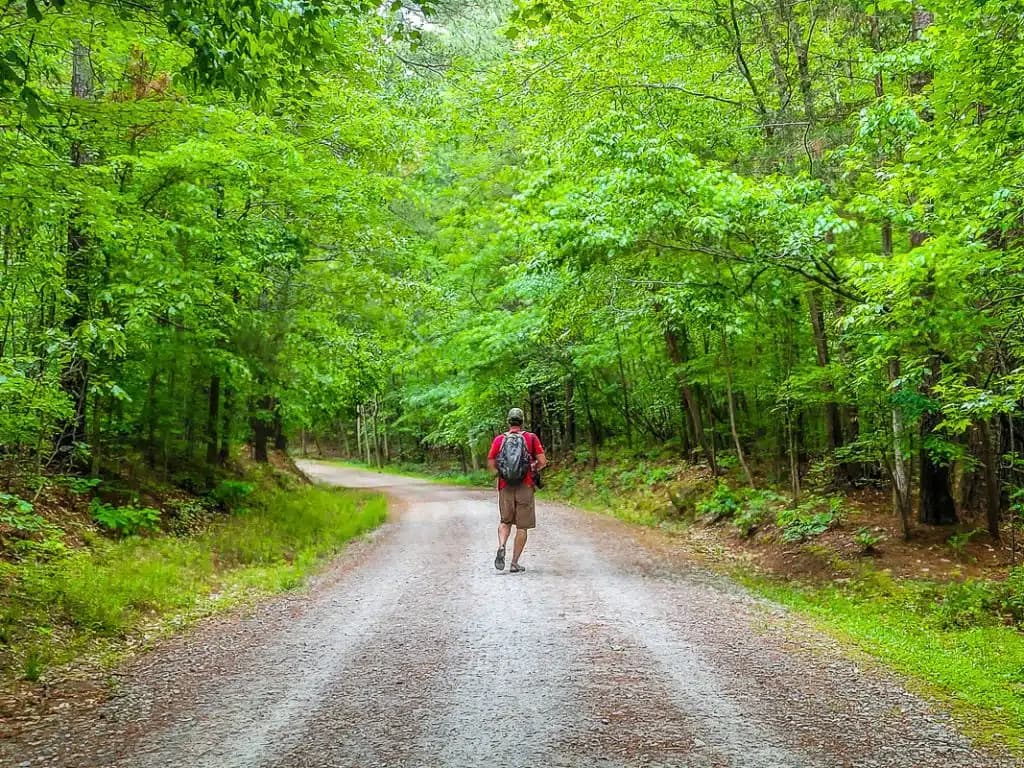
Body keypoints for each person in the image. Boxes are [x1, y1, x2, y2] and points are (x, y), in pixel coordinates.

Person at [487, 407, 547, 573]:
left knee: (505, 521)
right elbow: (543, 461)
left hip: (505, 486)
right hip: (525, 486)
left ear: (509, 422)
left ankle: (501, 545)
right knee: (522, 527)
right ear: (522, 421)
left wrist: (500, 473)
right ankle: (514, 563)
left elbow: (491, 462)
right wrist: (532, 467)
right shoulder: (530, 438)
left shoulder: (500, 439)